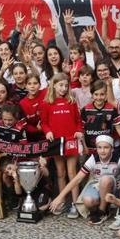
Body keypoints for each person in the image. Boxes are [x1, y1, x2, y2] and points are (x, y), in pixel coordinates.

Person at [49, 135, 120, 225]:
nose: (102, 151)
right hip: (97, 184)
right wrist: (60, 197)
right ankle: (105, 206)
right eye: (99, 147)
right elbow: (77, 179)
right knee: (88, 200)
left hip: (114, 186)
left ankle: (102, 212)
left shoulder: (119, 158)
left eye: (106, 147)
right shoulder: (93, 159)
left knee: (105, 179)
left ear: (112, 148)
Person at [40, 72, 84, 217]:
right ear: (54, 85)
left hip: (71, 140)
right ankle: (62, 201)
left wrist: (78, 131)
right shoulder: (47, 103)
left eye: (66, 85)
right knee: (60, 172)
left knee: (72, 172)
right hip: (56, 142)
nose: (64, 88)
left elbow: (78, 121)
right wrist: (47, 132)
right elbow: (44, 122)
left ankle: (75, 203)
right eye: (61, 85)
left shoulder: (71, 101)